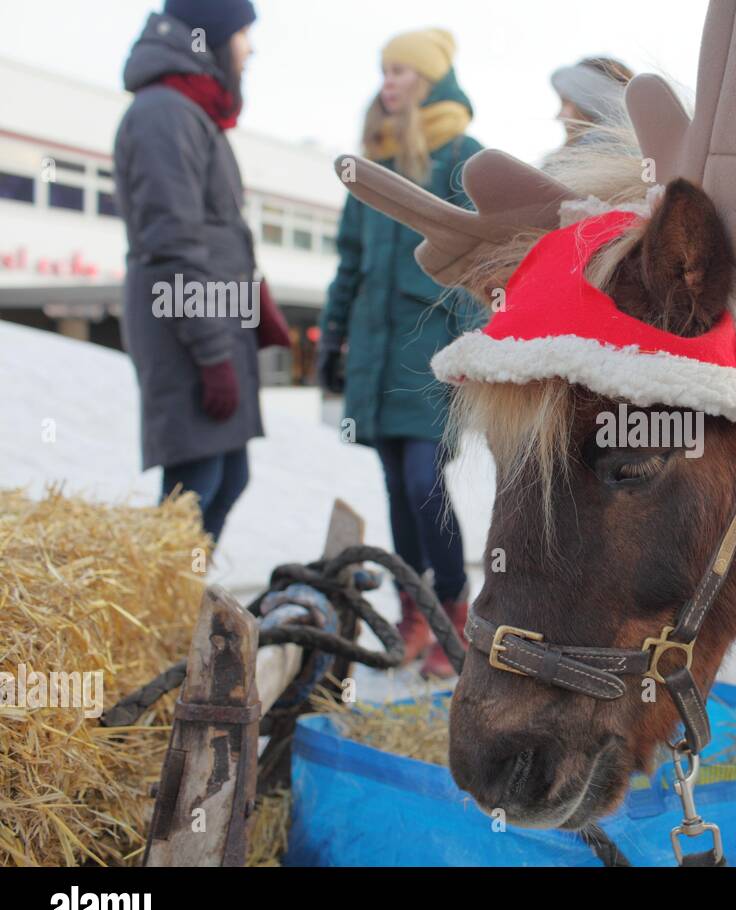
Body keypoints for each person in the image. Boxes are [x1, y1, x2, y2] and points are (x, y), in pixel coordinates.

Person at [316, 29, 483, 679]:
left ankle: (453, 614)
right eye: (384, 71)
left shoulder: (463, 159)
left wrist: (471, 346)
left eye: (402, 72)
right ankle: (413, 616)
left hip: (431, 352)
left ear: (431, 79)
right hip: (375, 350)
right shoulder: (372, 167)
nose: (389, 82)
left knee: (423, 481)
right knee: (394, 484)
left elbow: (479, 259)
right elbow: (349, 265)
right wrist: (332, 338)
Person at [114, 0, 290, 544]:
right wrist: (213, 354)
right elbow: (173, 247)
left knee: (227, 476)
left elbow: (219, 236)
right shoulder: (164, 114)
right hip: (187, 336)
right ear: (210, 36)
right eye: (242, 34)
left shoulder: (194, 115)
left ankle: (183, 610)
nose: (250, 48)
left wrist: (254, 311)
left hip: (211, 327)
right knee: (197, 482)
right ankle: (162, 615)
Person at [549, 57, 634, 147]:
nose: (558, 116)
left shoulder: (592, 156)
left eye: (565, 102)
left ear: (593, 104)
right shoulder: (642, 153)